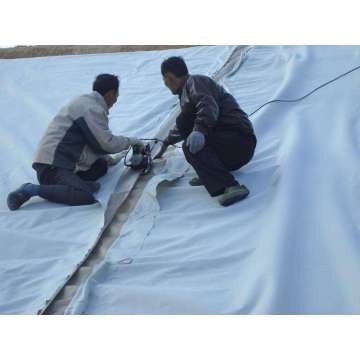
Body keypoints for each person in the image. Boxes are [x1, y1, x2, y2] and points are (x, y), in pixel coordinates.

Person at [7, 74, 144, 210]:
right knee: (85, 195)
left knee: (101, 165)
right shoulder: (91, 108)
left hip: (62, 163)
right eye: (116, 96)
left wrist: (110, 159)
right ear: (110, 94)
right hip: (52, 167)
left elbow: (92, 143)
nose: (115, 101)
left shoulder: (85, 102)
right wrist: (132, 142)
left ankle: (76, 183)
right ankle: (30, 189)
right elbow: (106, 143)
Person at [157, 56, 257, 206]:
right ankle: (210, 173)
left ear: (168, 77)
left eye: (164, 80)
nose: (165, 84)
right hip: (230, 146)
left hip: (239, 140)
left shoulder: (195, 81)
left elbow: (207, 105)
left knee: (189, 143)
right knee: (185, 124)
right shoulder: (186, 93)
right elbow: (183, 126)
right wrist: (165, 143)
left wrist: (200, 131)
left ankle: (230, 186)